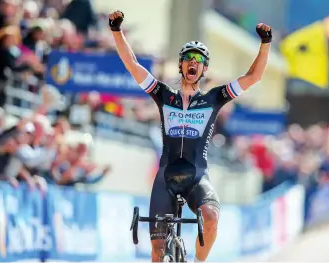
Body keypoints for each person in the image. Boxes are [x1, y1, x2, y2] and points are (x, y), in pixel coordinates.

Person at [109, 10, 272, 262]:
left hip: (197, 177)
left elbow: (254, 77)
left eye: (197, 59)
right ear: (181, 65)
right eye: (187, 58)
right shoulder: (164, 95)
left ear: (204, 68)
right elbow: (132, 64)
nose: (192, 62)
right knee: (156, 251)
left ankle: (198, 261)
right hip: (166, 178)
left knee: (211, 217)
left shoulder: (213, 98)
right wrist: (116, 31)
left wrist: (265, 44)